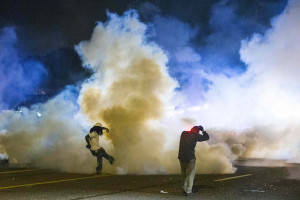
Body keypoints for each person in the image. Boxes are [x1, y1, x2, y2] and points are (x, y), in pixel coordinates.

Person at [178, 125, 209, 196]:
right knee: (190, 174)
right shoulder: (196, 135)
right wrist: (203, 130)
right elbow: (207, 137)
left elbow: (189, 132)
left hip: (181, 157)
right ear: (197, 131)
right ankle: (188, 191)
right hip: (190, 157)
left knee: (184, 174)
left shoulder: (184, 133)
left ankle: (184, 188)